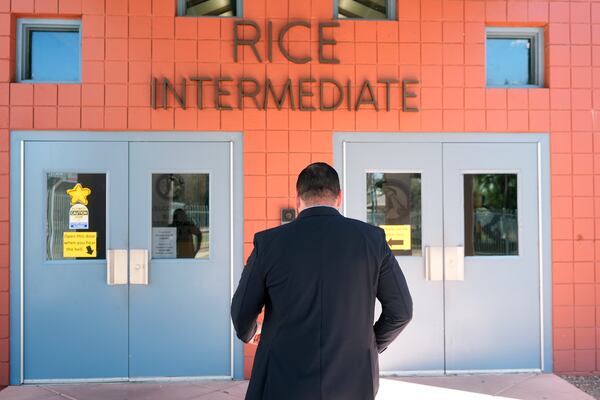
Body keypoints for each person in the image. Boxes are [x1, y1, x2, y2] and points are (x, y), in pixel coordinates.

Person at [231, 162, 413, 400]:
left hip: (282, 379)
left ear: (298, 199)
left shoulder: (269, 244)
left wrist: (252, 333)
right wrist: (365, 346)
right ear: (339, 197)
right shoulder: (372, 240)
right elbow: (401, 311)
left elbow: (241, 313)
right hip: (352, 380)